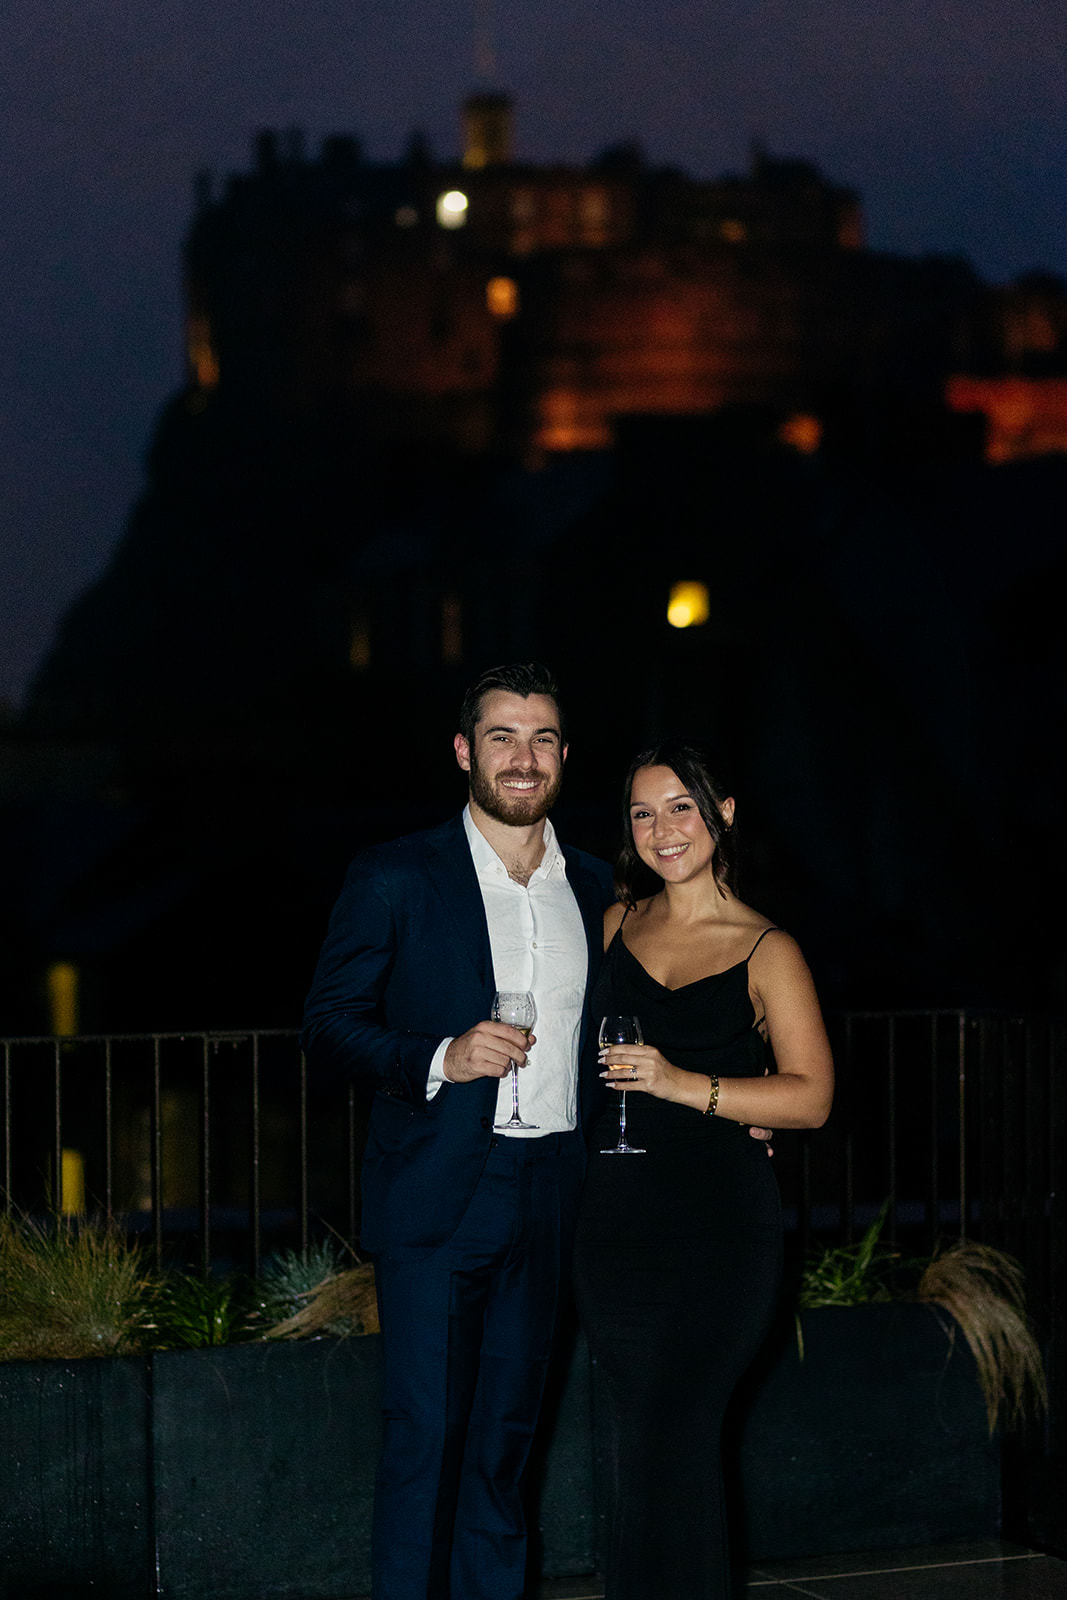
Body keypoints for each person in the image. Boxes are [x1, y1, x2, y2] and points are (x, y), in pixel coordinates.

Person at [300, 663, 614, 1600]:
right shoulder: (396, 874)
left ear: (563, 756)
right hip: (438, 1193)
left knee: (507, 1446)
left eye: (544, 738)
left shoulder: (599, 886)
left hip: (553, 1187)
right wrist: (441, 1055)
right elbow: (328, 1024)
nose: (524, 759)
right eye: (503, 737)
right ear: (463, 751)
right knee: (425, 1441)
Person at [572, 740, 834, 1600]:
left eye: (679, 806)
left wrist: (685, 1085)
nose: (660, 829)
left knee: (676, 1435)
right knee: (639, 1442)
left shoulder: (767, 948)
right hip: (613, 1227)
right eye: (642, 813)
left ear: (722, 814)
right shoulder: (614, 925)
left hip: (718, 1232)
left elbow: (810, 1099)